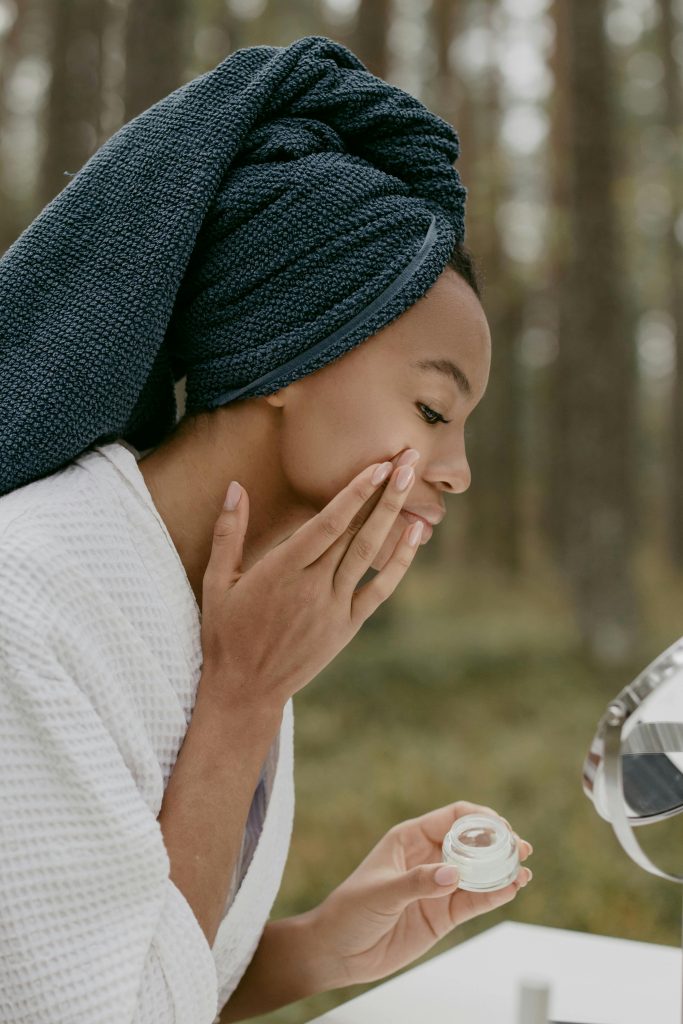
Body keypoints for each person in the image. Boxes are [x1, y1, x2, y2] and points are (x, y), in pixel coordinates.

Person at [0, 35, 532, 1024]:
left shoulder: (240, 595)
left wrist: (319, 946)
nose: (457, 472)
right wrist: (241, 700)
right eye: (430, 410)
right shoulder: (26, 599)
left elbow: (141, 969)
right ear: (295, 349)